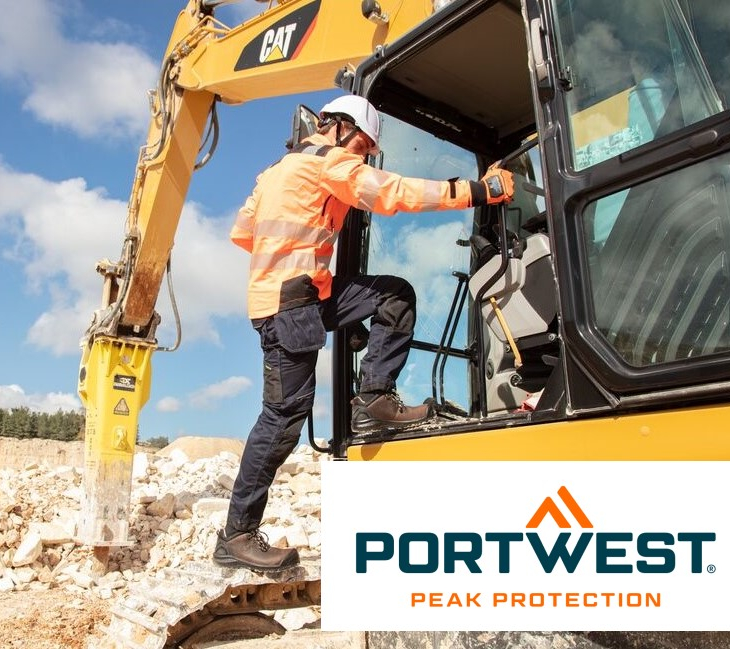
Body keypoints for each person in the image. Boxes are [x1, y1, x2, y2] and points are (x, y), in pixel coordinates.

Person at [214, 95, 514, 572]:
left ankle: (372, 396)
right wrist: (479, 190)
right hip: (289, 308)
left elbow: (244, 234)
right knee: (282, 417)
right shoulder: (329, 162)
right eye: (362, 144)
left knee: (393, 295)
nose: (362, 155)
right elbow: (392, 194)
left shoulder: (276, 171)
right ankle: (236, 535)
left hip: (301, 295)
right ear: (338, 128)